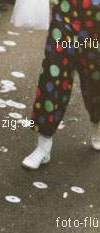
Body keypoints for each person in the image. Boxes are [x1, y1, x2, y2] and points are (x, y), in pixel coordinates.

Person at [21, 0, 99, 170]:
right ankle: (43, 144)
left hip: (96, 20)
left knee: (95, 80)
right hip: (65, 14)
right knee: (53, 75)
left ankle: (97, 122)